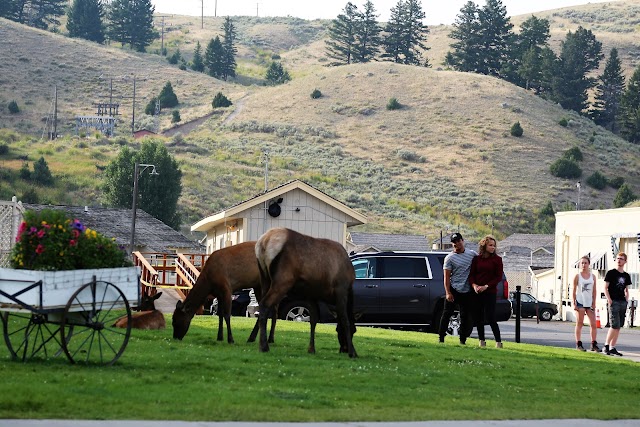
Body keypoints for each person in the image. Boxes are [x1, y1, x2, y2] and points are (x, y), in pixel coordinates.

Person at [439, 232, 477, 344]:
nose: (457, 243)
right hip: (454, 289)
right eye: (454, 242)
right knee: (446, 314)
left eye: (458, 241)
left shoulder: (472, 254)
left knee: (465, 316)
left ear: (462, 241)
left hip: (467, 290)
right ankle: (441, 338)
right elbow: (446, 277)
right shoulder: (449, 258)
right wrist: (448, 292)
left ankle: (463, 340)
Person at [469, 235, 503, 348]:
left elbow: (498, 277)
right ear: (484, 246)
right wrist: (474, 286)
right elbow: (472, 275)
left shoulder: (497, 260)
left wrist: (486, 286)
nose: (493, 247)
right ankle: (481, 341)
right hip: (477, 292)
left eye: (494, 245)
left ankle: (498, 341)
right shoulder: (476, 259)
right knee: (478, 318)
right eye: (490, 245)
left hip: (490, 292)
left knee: (490, 317)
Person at [602, 252, 632, 356]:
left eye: (621, 259)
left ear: (625, 261)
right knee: (614, 325)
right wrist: (609, 299)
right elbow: (605, 287)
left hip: (622, 301)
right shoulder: (611, 273)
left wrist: (626, 298)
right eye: (618, 258)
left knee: (619, 326)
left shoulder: (626, 275)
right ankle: (606, 346)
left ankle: (612, 346)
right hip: (613, 300)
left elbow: (627, 289)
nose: (619, 260)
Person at [572, 256, 599, 352]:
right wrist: (574, 302)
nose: (583, 265)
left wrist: (594, 303)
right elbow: (574, 290)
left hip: (589, 302)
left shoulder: (593, 276)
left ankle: (593, 343)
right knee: (580, 323)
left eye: (585, 263)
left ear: (589, 264)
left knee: (593, 324)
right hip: (580, 301)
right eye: (582, 263)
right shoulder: (577, 276)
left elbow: (594, 290)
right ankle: (578, 343)